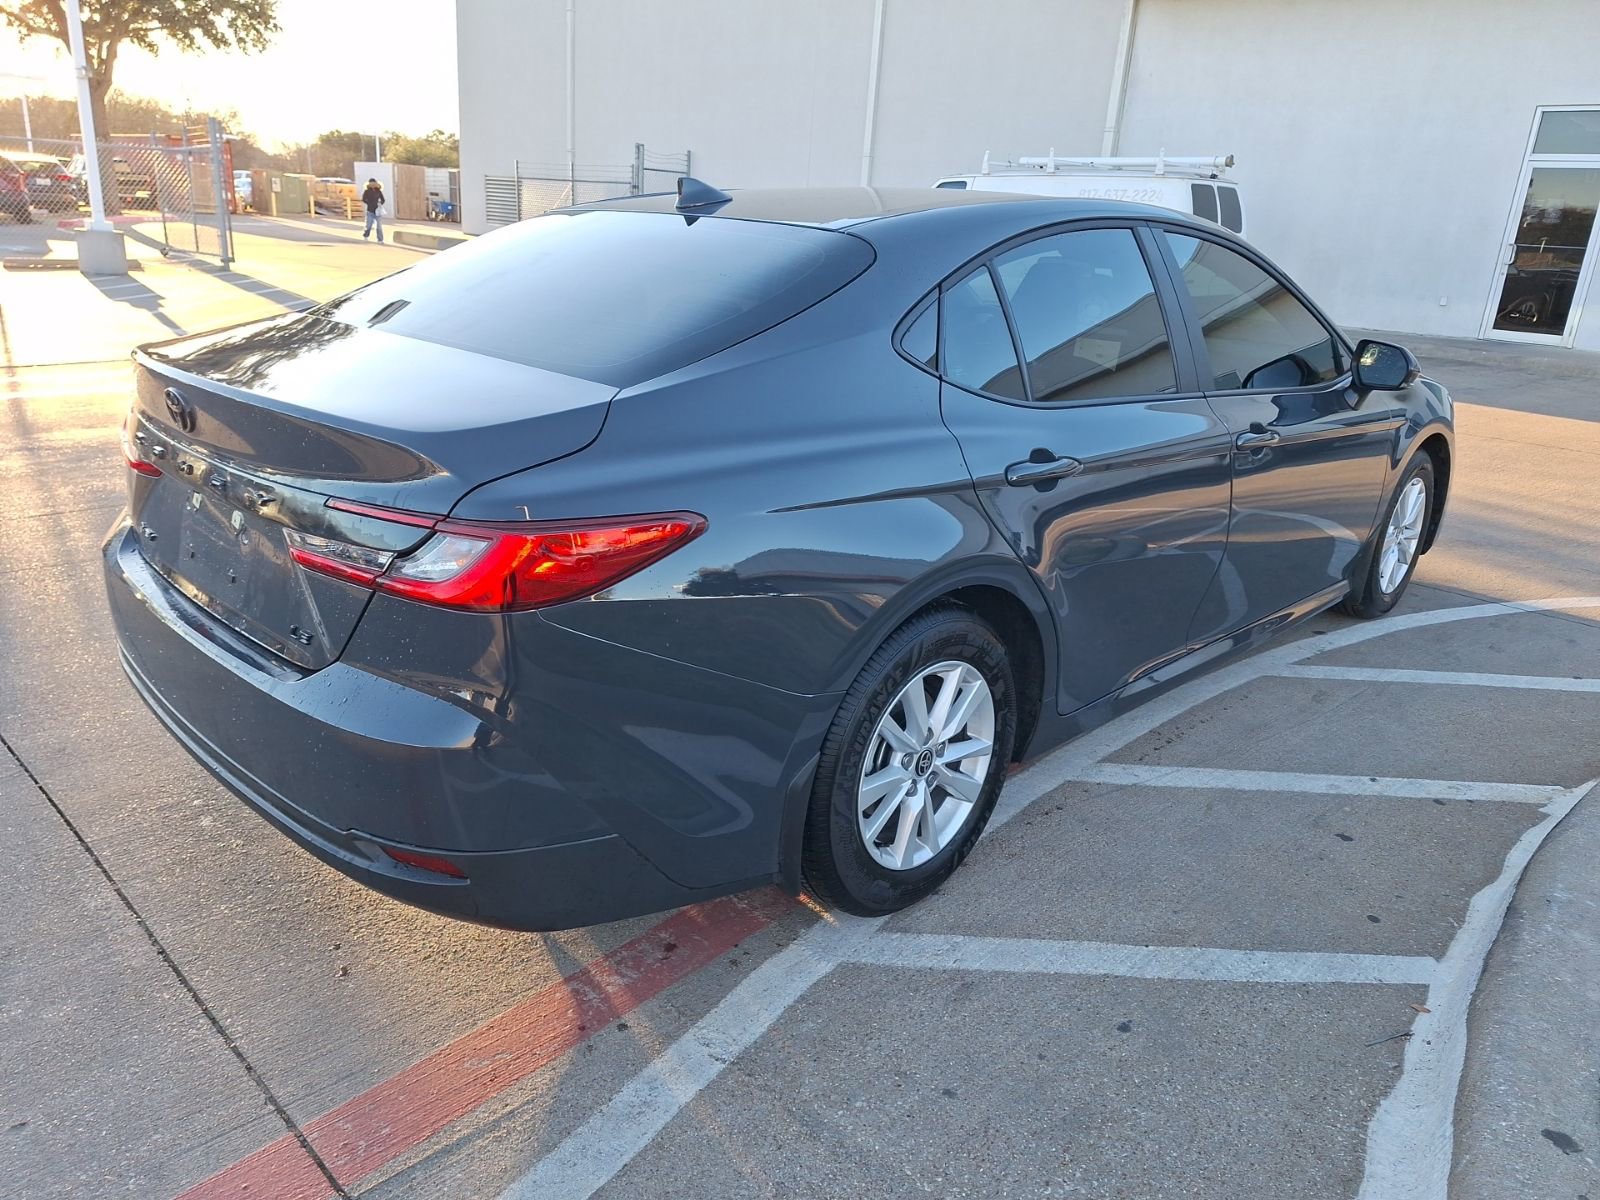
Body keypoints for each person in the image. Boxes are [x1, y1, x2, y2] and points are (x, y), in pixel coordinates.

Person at [361, 178, 385, 243]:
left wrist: (380, 203)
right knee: (368, 225)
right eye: (371, 183)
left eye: (374, 183)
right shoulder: (367, 191)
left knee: (379, 226)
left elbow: (383, 199)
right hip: (370, 211)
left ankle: (380, 239)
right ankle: (366, 235)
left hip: (377, 211)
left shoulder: (379, 191)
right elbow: (363, 199)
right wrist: (368, 203)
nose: (372, 184)